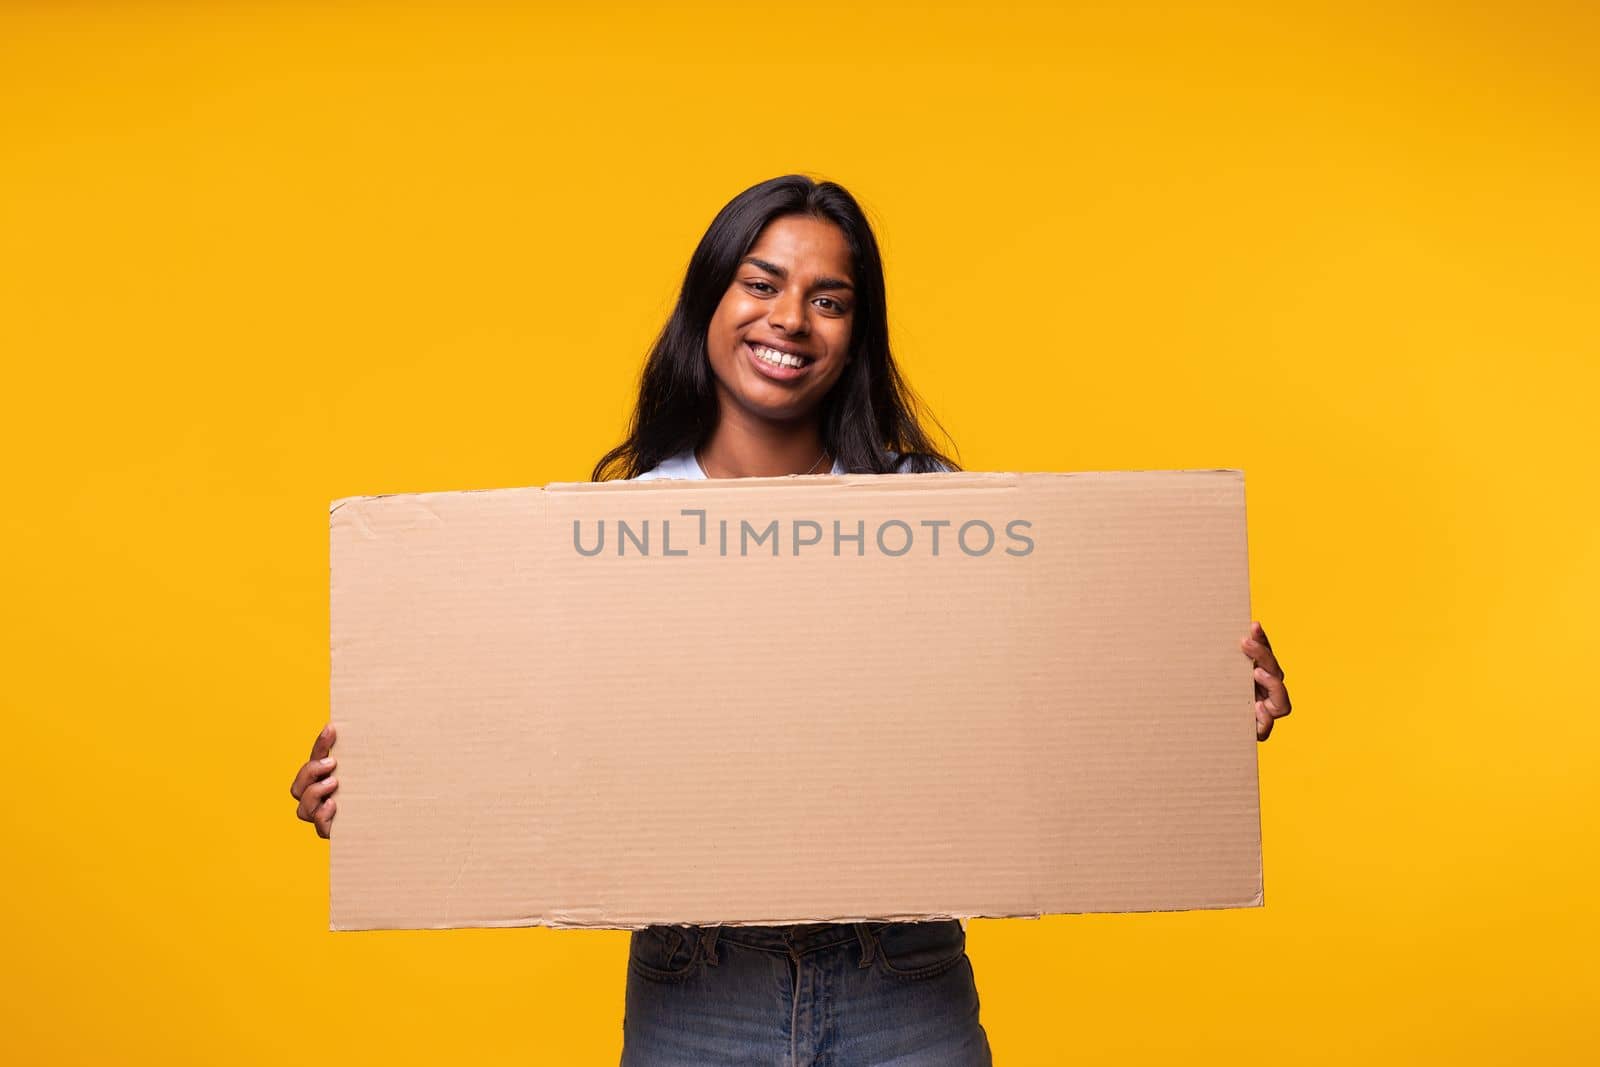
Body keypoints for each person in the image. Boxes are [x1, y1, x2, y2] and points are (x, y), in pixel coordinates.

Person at [289, 174, 1295, 1065]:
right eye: (761, 284)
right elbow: (537, 750)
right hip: (695, 991)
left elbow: (1035, 716)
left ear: (859, 331)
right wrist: (388, 798)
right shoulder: (606, 533)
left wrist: (1190, 712)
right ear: (710, 301)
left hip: (903, 985)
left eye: (830, 299)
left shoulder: (935, 513)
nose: (791, 320)